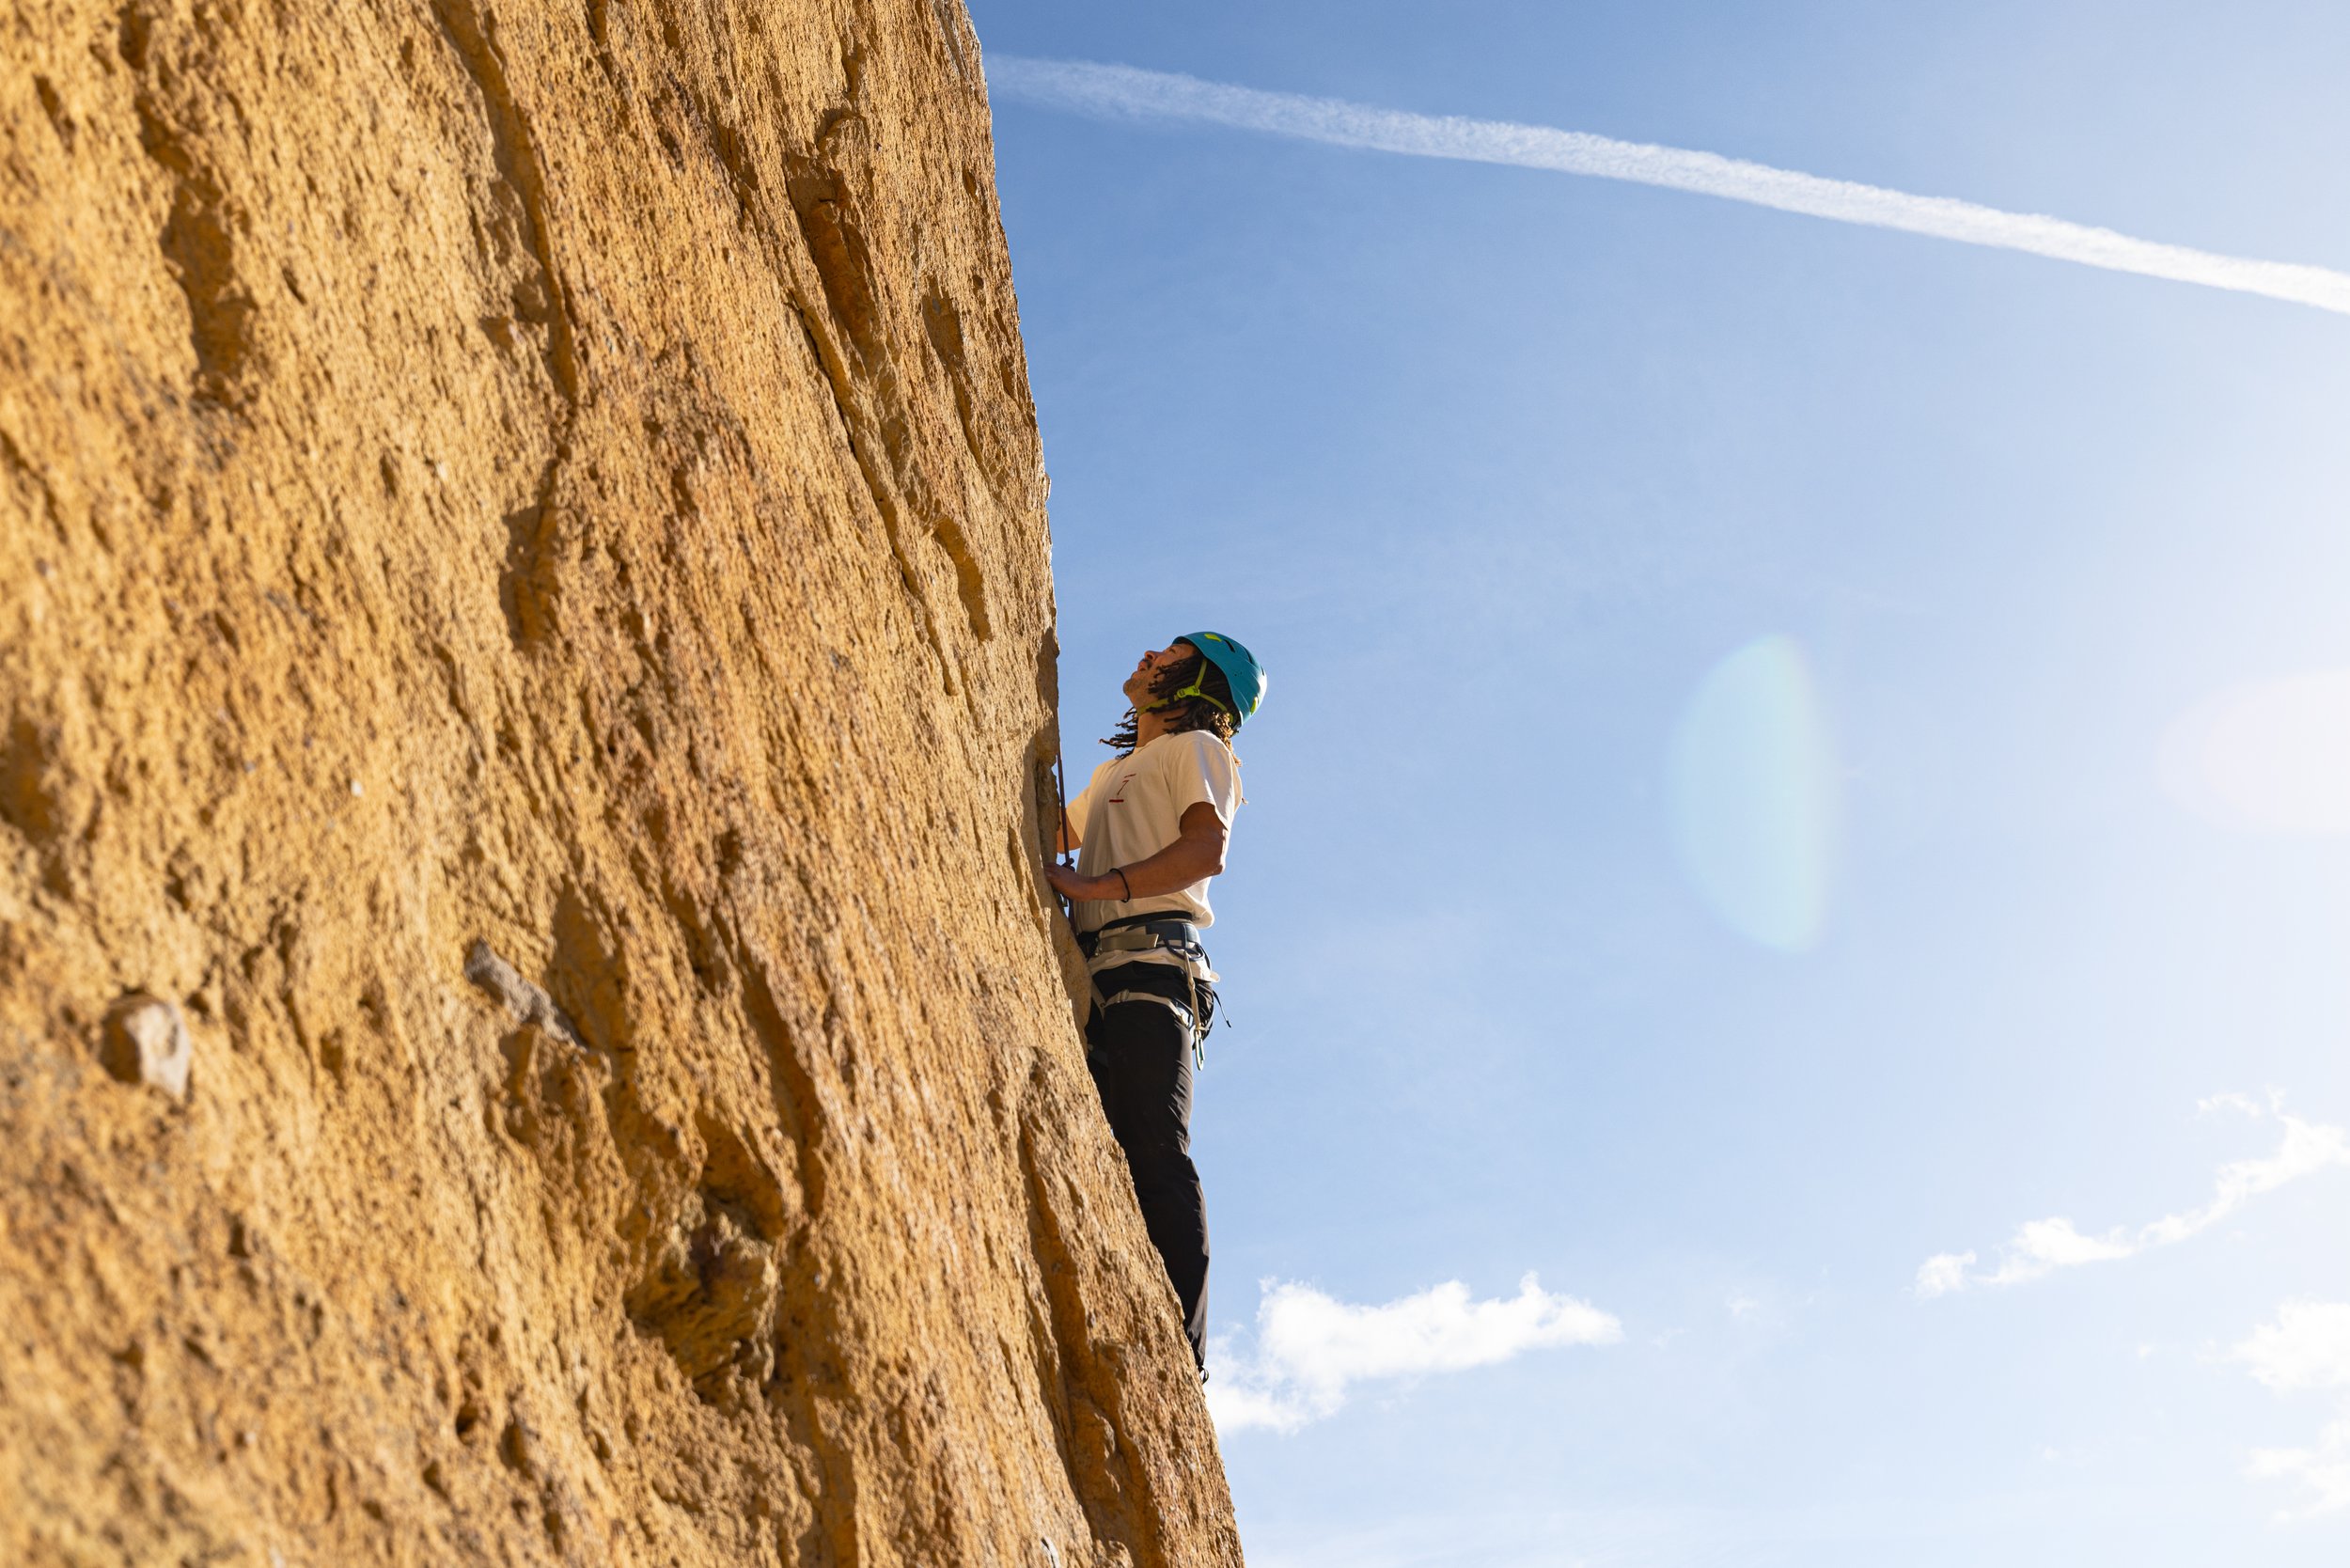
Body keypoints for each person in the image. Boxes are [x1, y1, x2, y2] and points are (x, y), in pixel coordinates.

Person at [1047, 632, 1267, 1375]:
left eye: (1170, 654)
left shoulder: (1199, 749)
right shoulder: (1118, 769)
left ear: (1202, 681)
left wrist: (1099, 888)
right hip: (1102, 972)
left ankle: (1185, 1355)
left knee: (1154, 1145)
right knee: (1117, 1145)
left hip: (1151, 969)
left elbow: (1207, 850)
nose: (1146, 656)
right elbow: (1050, 832)